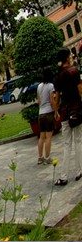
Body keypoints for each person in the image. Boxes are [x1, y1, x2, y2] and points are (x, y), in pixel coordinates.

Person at [53, 48, 82, 186]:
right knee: (78, 140)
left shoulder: (58, 76)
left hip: (65, 111)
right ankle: (79, 170)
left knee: (66, 144)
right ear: (67, 57)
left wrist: (56, 111)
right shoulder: (74, 71)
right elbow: (80, 89)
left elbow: (57, 96)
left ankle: (63, 176)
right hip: (76, 109)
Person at [37, 68, 57, 165]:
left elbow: (39, 101)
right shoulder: (51, 86)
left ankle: (40, 157)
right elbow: (52, 101)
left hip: (41, 113)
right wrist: (56, 111)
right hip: (48, 113)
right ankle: (47, 157)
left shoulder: (39, 86)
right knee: (48, 137)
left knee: (41, 137)